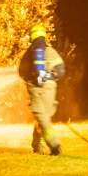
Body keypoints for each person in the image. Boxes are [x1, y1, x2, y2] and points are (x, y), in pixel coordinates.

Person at [18, 23, 65, 155]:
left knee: (43, 117)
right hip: (44, 87)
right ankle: (53, 143)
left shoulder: (32, 54)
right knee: (43, 116)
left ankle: (40, 144)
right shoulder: (50, 52)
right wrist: (46, 76)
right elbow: (60, 70)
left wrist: (43, 76)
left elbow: (21, 72)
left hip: (40, 87)